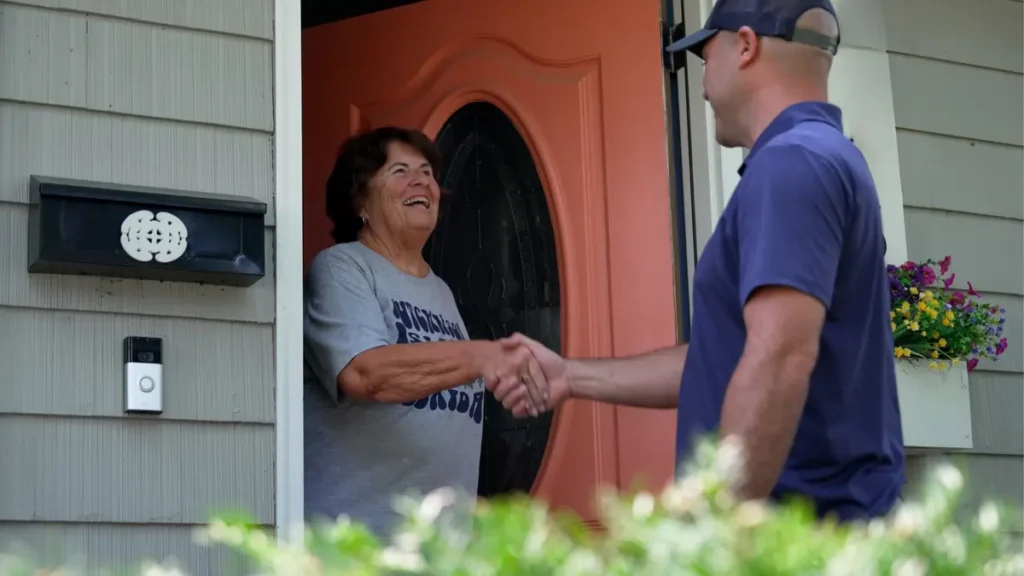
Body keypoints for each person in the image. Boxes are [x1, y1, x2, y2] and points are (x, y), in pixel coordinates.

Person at [497, 0, 905, 522]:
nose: (704, 83)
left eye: (705, 58)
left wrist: (712, 533)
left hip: (796, 539)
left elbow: (779, 355)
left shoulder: (792, 163)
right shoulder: (821, 157)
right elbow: (734, 353)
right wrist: (571, 377)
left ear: (746, 45)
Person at [303, 126, 549, 537]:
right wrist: (482, 356)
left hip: (437, 549)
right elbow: (365, 374)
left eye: (428, 173)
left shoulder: (441, 292)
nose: (422, 181)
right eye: (399, 171)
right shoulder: (344, 267)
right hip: (358, 546)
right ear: (360, 199)